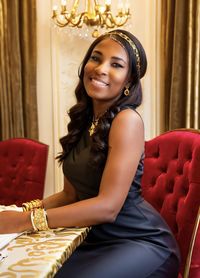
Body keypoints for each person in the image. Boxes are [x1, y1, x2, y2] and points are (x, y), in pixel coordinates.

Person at [0, 29, 180, 277]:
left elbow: (108, 207)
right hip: (93, 237)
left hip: (139, 242)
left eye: (116, 64)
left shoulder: (127, 121)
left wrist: (25, 222)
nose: (101, 68)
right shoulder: (84, 120)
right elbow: (69, 194)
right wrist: (23, 211)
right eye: (95, 58)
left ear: (129, 81)